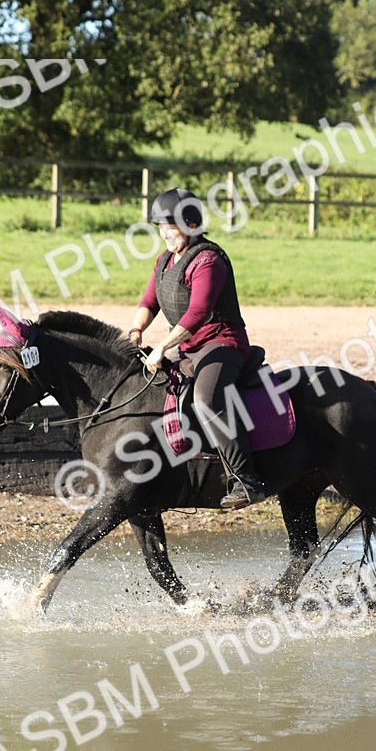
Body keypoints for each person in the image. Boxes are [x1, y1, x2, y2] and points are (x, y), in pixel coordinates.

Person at [128, 187, 265, 510]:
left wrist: (161, 346)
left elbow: (198, 312)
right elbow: (149, 301)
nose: (164, 234)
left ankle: (246, 480)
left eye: (169, 226)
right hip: (187, 346)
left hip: (222, 344)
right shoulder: (165, 259)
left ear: (190, 224)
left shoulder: (209, 260)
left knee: (205, 398)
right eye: (160, 227)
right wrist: (136, 330)